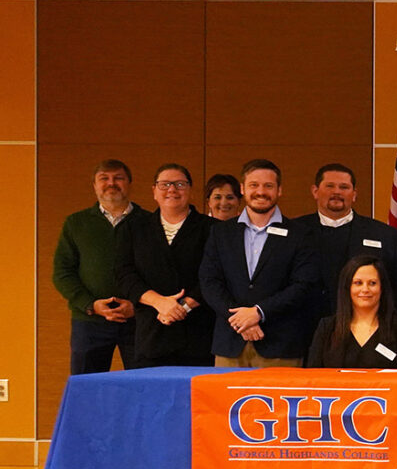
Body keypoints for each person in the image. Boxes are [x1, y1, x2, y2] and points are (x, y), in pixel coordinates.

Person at [197, 159, 320, 367]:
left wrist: (258, 312)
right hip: (230, 344)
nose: (260, 191)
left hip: (280, 347)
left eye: (268, 186)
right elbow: (209, 281)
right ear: (243, 189)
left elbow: (303, 286)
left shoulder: (300, 235)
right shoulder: (220, 233)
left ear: (279, 190)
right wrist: (240, 320)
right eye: (254, 185)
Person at [114, 163, 215, 368]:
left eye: (180, 184)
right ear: (154, 191)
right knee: (151, 397)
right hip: (152, 331)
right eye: (164, 184)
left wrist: (183, 307)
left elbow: (215, 275)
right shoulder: (133, 228)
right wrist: (159, 302)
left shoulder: (213, 229)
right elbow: (123, 274)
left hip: (199, 333)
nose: (172, 190)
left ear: (190, 190)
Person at [54, 158, 141, 374]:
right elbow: (62, 273)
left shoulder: (148, 222)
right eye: (104, 179)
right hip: (89, 321)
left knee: (144, 387)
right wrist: (91, 304)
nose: (111, 183)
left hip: (139, 321)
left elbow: (159, 273)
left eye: (118, 178)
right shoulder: (76, 223)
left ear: (129, 183)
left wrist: (137, 305)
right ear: (94, 185)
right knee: (86, 388)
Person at [292, 163, 397, 320]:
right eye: (330, 186)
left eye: (344, 187)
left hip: (366, 327)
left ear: (354, 194)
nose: (337, 192)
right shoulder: (294, 232)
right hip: (304, 328)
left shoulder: (385, 235)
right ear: (315, 191)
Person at [306, 255, 397, 369]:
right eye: (358, 283)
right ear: (347, 287)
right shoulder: (327, 328)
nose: (365, 289)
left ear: (382, 288)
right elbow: (312, 377)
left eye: (372, 283)